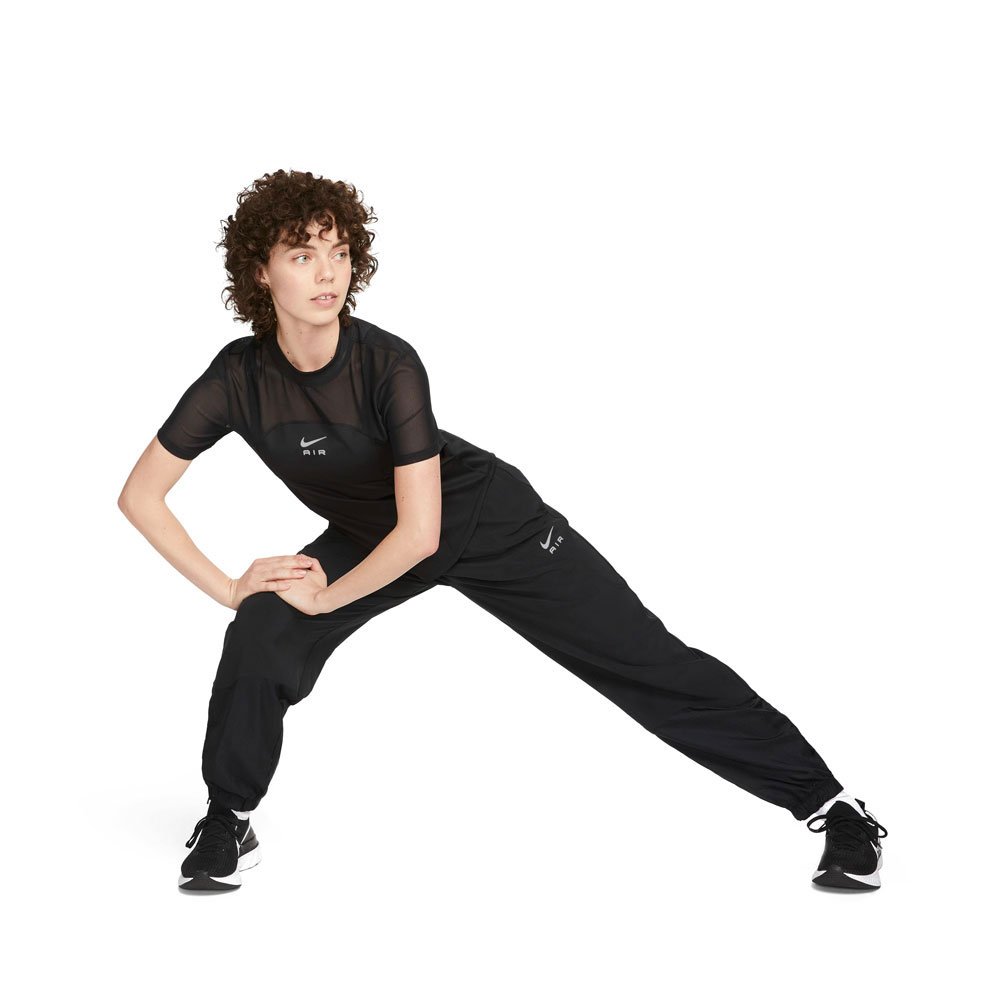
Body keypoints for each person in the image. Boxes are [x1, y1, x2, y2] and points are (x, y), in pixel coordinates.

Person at [118, 169, 887, 894]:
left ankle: (835, 806)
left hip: (484, 520)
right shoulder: (237, 378)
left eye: (340, 251)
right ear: (260, 272)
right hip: (369, 534)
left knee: (643, 659)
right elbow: (141, 494)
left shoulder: (388, 364)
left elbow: (421, 533)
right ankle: (228, 818)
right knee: (262, 627)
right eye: (302, 254)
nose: (328, 272)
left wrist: (323, 598)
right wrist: (232, 587)